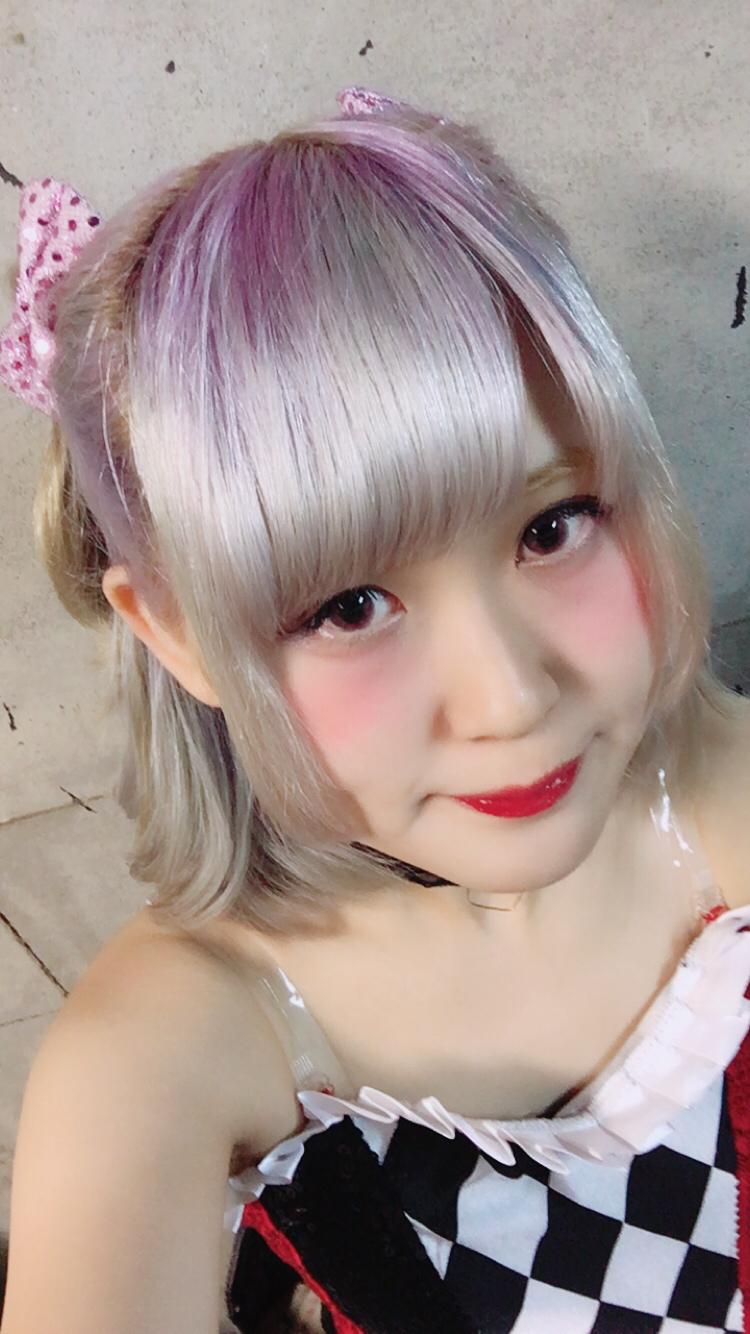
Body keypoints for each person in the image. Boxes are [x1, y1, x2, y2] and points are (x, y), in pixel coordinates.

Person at [1, 86, 749, 1334]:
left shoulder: (704, 777)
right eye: (350, 605)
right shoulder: (178, 1043)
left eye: (553, 525)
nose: (512, 696)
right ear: (178, 634)